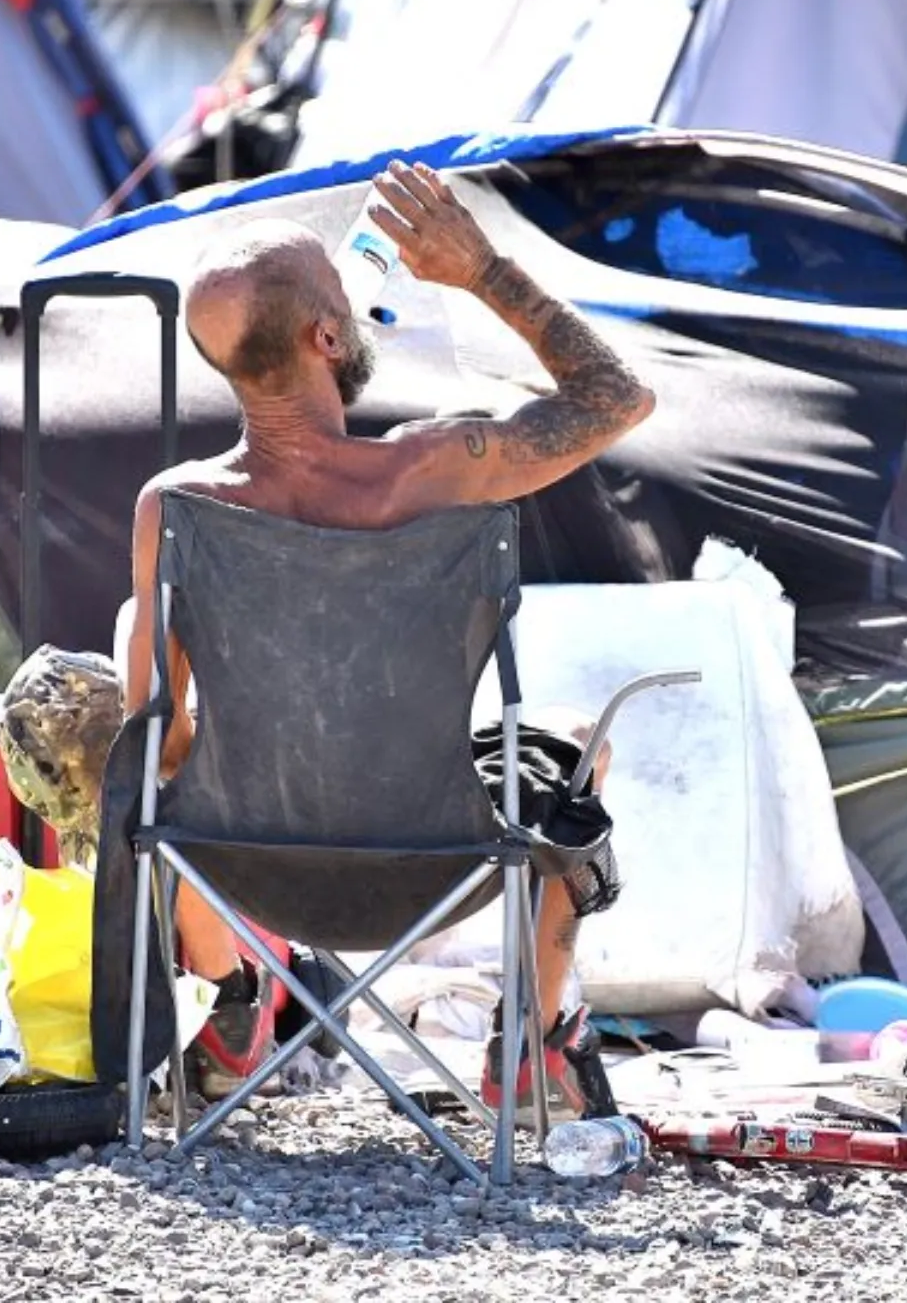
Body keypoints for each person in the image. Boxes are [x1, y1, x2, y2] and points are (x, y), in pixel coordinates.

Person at [122, 158, 656, 1117]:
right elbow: (616, 398)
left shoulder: (175, 509)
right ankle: (532, 1047)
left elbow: (150, 744)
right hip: (442, 867)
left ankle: (230, 1004)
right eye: (346, 296)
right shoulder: (438, 468)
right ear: (331, 334)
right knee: (576, 743)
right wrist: (482, 271)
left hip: (243, 866)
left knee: (144, 723)